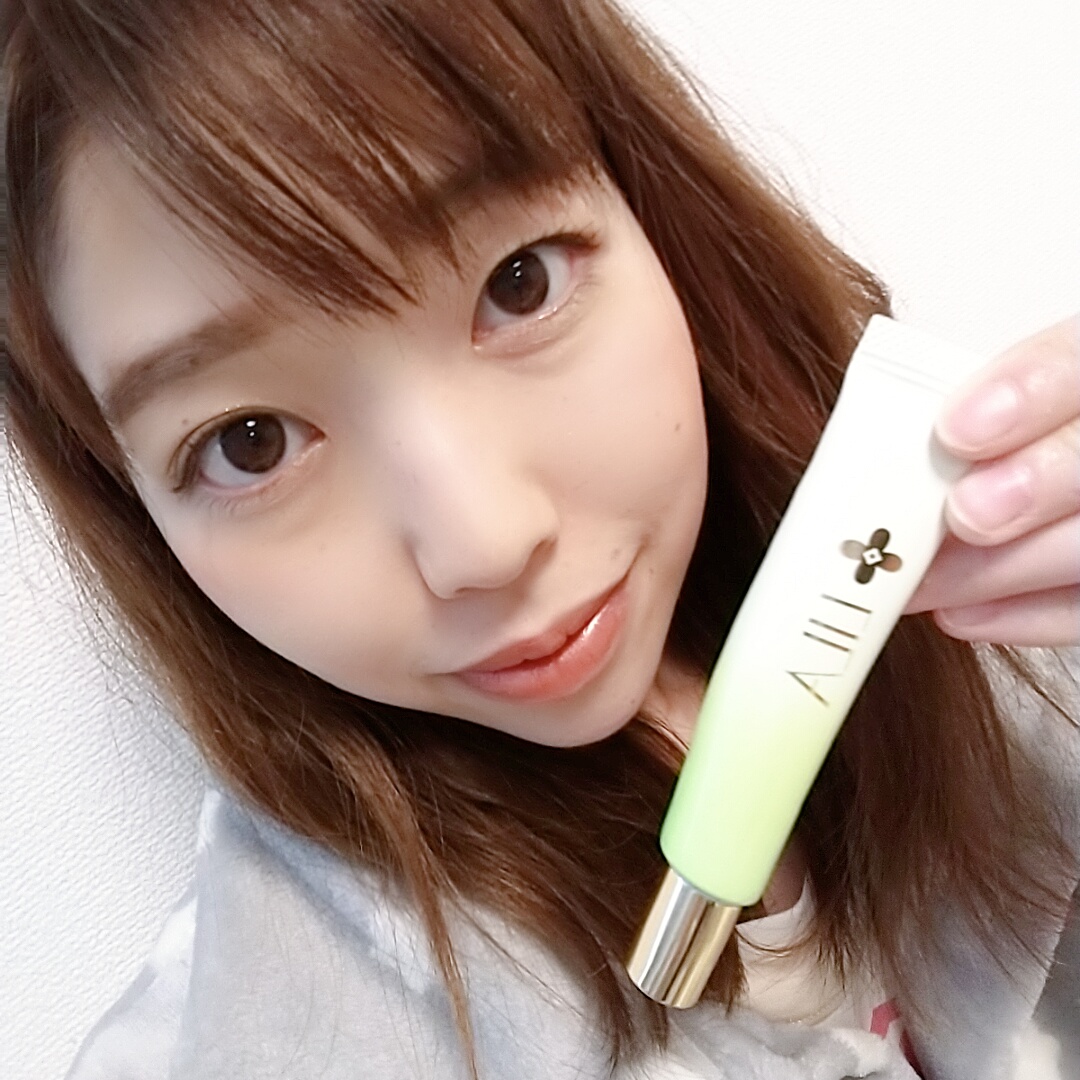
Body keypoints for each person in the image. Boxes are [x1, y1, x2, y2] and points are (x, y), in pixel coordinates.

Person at [6, 0, 1079, 1077]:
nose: (484, 541)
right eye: (251, 443)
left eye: (518, 283)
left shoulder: (978, 639)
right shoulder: (290, 1025)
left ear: (655, 213)